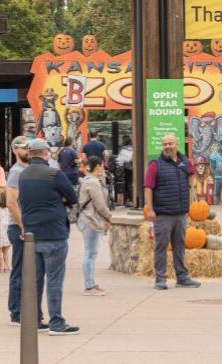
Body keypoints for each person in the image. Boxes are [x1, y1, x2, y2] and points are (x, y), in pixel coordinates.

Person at [18, 138, 79, 335]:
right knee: (54, 279)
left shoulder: (23, 175)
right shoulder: (54, 174)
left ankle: (35, 320)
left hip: (31, 235)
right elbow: (73, 197)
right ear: (45, 153)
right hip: (54, 234)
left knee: (34, 280)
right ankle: (56, 322)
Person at [143, 134, 201, 291]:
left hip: (180, 214)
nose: (167, 146)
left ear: (177, 144)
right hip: (162, 214)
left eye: (170, 143)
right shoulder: (155, 165)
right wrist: (149, 208)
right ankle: (160, 279)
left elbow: (192, 174)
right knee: (161, 247)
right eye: (165, 144)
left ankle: (182, 278)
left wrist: (190, 195)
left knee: (180, 246)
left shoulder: (184, 162)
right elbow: (148, 187)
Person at [5, 135, 38, 327]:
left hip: (28, 226)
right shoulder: (16, 172)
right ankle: (15, 312)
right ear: (16, 150)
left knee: (29, 270)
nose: (29, 151)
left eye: (30, 148)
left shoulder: (28, 170)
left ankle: (23, 309)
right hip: (18, 227)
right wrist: (22, 225)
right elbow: (11, 202)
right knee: (19, 270)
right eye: (26, 148)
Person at [77, 156, 112, 296]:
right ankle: (89, 286)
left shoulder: (90, 181)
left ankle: (91, 283)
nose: (103, 169)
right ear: (98, 166)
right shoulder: (92, 183)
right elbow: (100, 205)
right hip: (90, 220)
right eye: (102, 166)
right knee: (90, 253)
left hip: (88, 219)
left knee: (91, 253)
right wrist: (109, 217)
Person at [115, 134, 133, 206]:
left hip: (124, 168)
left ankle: (126, 199)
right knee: (130, 183)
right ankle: (131, 199)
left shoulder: (123, 150)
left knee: (125, 183)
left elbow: (119, 160)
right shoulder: (133, 148)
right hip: (131, 167)